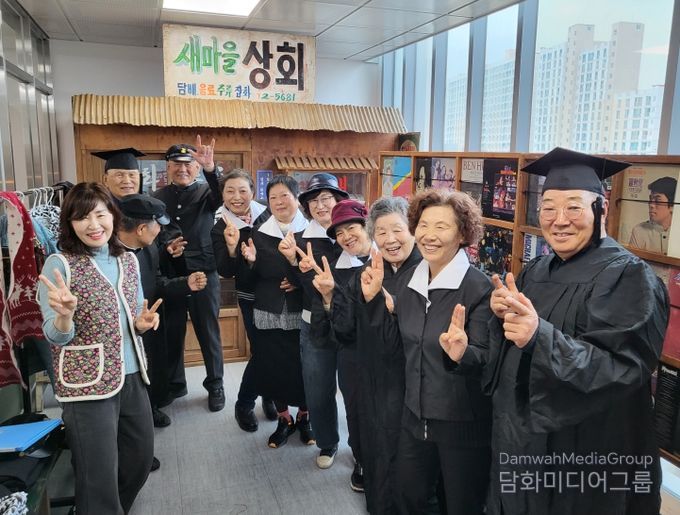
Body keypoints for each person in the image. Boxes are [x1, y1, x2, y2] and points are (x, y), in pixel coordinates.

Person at [486, 147, 669, 515]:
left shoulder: (630, 276)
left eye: (573, 207)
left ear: (602, 208)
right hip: (523, 442)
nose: (559, 220)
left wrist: (539, 336)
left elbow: (622, 368)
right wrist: (501, 316)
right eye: (548, 208)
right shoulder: (536, 269)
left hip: (586, 451)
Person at [361, 189, 493, 514]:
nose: (429, 235)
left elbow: (488, 361)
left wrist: (462, 354)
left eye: (441, 227)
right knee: (409, 496)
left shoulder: (479, 288)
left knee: (461, 504)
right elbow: (394, 347)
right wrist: (375, 301)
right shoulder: (409, 281)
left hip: (461, 421)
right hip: (414, 415)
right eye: (423, 225)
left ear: (462, 234)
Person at [37, 183, 160, 514]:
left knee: (139, 458)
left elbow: (135, 313)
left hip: (132, 376)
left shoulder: (128, 260)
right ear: (70, 223)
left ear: (113, 216)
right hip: (86, 385)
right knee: (98, 476)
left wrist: (142, 323)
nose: (93, 225)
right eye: (82, 217)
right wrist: (64, 316)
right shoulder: (59, 265)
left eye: (100, 215)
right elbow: (55, 336)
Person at [314, 196, 421, 512]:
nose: (390, 239)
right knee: (376, 449)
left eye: (397, 230)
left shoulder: (428, 271)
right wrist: (330, 297)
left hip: (411, 382)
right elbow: (343, 330)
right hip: (371, 378)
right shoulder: (367, 273)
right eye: (382, 232)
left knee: (410, 462)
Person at [296, 198, 372, 491]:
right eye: (339, 233)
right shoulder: (333, 263)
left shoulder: (388, 256)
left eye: (352, 228)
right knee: (335, 395)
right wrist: (327, 295)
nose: (346, 237)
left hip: (381, 345)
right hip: (340, 338)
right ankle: (342, 449)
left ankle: (369, 455)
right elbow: (329, 312)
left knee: (370, 402)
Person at [232, 175, 312, 448]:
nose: (279, 202)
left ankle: (304, 416)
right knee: (273, 367)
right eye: (273, 197)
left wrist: (296, 278)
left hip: (302, 311)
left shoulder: (311, 232)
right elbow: (249, 279)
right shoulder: (258, 233)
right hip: (267, 309)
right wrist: (251, 262)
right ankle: (283, 419)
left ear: (297, 198)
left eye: (284, 196)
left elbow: (316, 275)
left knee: (304, 367)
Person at [118, 195, 207, 430]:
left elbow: (157, 283)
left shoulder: (149, 250)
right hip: (119, 329)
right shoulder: (107, 255)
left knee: (154, 364)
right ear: (141, 229)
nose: (160, 231)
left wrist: (185, 284)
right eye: (157, 225)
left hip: (148, 321)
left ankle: (151, 407)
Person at [277, 173, 348, 468]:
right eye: (314, 201)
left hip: (352, 325)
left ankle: (360, 449)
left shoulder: (351, 234)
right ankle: (327, 442)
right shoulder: (300, 241)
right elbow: (296, 285)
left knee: (355, 389)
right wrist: (293, 262)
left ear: (338, 200)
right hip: (314, 323)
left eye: (326, 198)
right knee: (318, 388)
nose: (320, 206)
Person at [152, 136, 226, 412]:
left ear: (196, 168)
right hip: (171, 275)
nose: (182, 169)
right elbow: (154, 235)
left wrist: (210, 169)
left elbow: (221, 193)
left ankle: (216, 384)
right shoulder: (157, 198)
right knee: (172, 331)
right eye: (176, 164)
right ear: (168, 167)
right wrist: (166, 248)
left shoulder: (207, 193)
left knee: (208, 331)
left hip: (204, 271)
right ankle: (175, 383)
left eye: (188, 164)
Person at [210, 169, 276, 431]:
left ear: (253, 192)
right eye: (230, 191)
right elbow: (225, 271)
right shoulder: (220, 226)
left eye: (242, 190)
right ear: (222, 195)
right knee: (261, 350)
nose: (236, 197)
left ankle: (270, 396)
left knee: (278, 349)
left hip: (280, 292)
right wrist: (231, 247)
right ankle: (244, 404)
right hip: (251, 296)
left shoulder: (268, 214)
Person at [629, 176, 677, 254]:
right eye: (650, 199)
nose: (651, 205)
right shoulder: (639, 230)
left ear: (672, 205)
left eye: (657, 200)